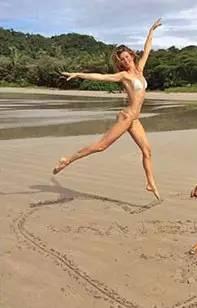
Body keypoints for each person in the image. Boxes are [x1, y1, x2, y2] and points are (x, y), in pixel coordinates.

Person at [53, 18, 163, 200]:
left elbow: (148, 48)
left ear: (132, 56)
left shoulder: (140, 71)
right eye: (122, 59)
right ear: (120, 62)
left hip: (135, 120)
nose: (126, 60)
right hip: (127, 117)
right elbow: (101, 77)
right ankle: (67, 160)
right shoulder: (123, 76)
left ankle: (150, 183)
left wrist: (152, 30)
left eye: (127, 57)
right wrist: (79, 74)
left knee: (147, 151)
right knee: (101, 146)